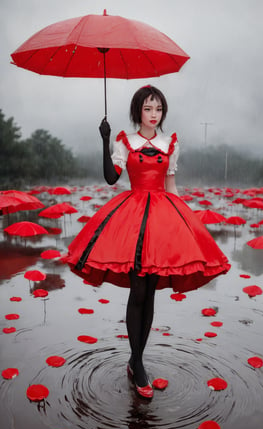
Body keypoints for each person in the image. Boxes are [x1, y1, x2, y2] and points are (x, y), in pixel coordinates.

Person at [66, 85, 230, 399]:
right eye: (148, 109)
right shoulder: (125, 142)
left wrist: (188, 225)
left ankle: (134, 358)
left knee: (151, 290)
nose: (154, 115)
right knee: (138, 290)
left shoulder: (171, 144)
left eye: (158, 109)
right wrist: (104, 140)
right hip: (132, 215)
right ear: (137, 111)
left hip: (162, 216)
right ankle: (138, 363)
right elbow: (111, 178)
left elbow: (171, 185)